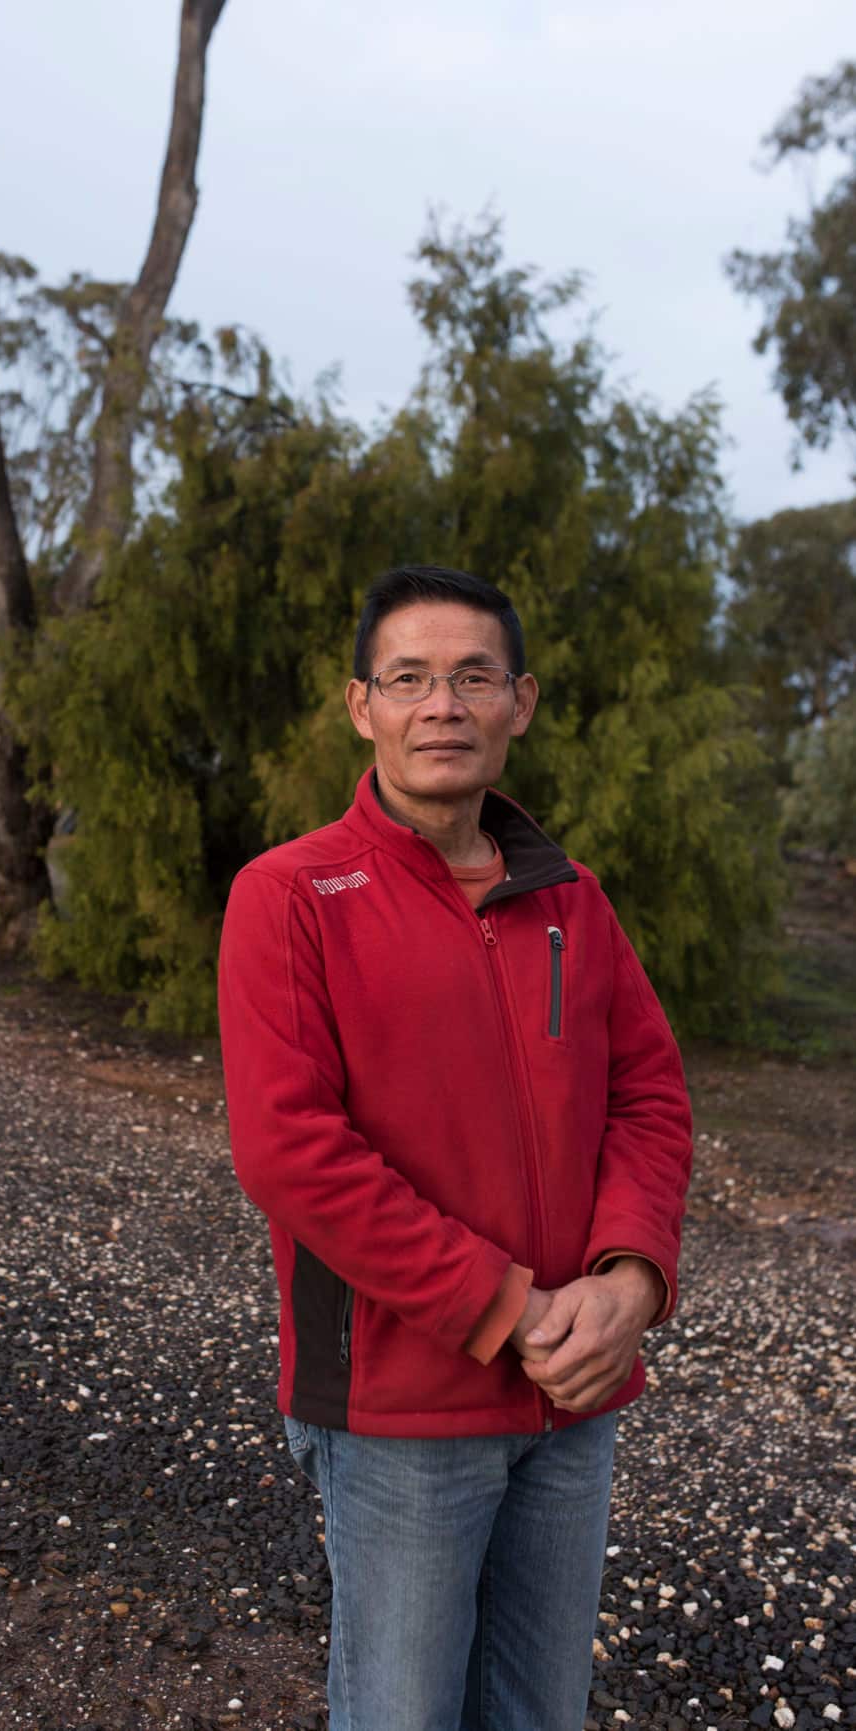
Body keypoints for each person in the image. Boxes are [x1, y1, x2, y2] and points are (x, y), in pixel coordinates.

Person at [217, 566, 692, 1731]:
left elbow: (650, 1096)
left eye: (473, 677)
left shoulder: (571, 899)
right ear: (360, 705)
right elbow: (291, 1152)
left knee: (542, 1710)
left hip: (572, 1400)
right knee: (402, 1713)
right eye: (411, 678)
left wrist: (630, 1282)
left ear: (519, 703)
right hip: (400, 1410)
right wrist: (508, 1307)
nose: (444, 705)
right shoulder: (289, 896)